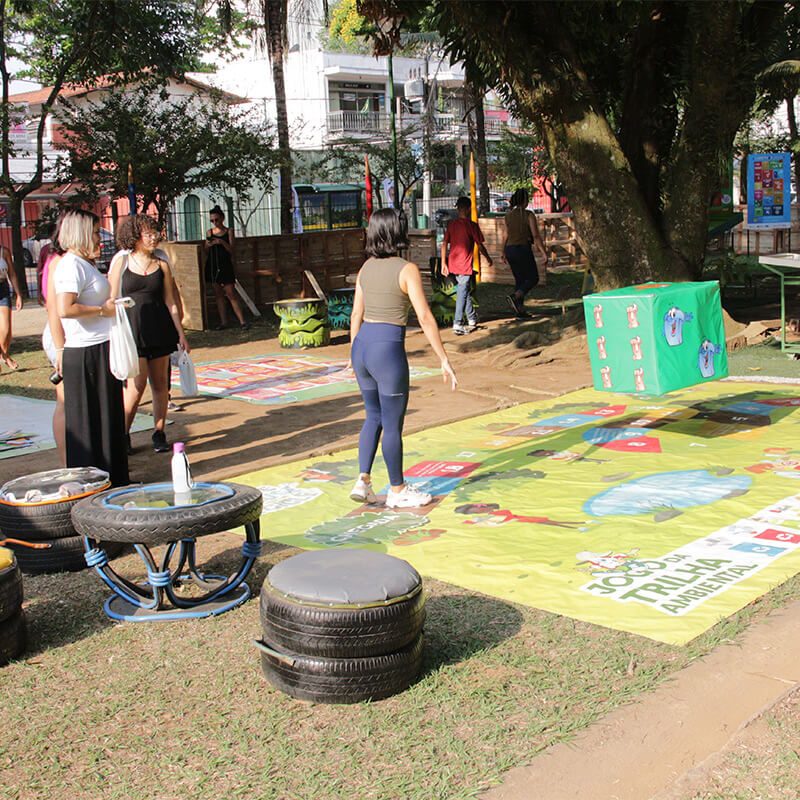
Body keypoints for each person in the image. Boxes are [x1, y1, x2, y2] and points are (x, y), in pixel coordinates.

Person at [349, 208, 457, 509]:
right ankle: (397, 490)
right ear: (398, 232)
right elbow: (424, 316)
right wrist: (443, 357)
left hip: (362, 347)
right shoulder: (406, 269)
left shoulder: (365, 268)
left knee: (373, 416)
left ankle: (364, 480)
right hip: (386, 350)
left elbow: (356, 313)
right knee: (393, 424)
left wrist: (351, 353)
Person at [54, 209, 128, 485]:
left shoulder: (83, 264)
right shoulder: (70, 265)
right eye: (96, 232)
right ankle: (90, 485)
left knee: (108, 419)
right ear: (81, 234)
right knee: (88, 424)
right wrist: (102, 310)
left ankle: (113, 479)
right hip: (85, 352)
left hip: (100, 348)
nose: (100, 239)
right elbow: (65, 308)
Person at [109, 215, 190, 454]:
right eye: (148, 233)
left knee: (160, 386)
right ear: (135, 237)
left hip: (160, 331)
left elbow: (170, 302)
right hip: (132, 333)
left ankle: (159, 432)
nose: (154, 236)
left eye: (155, 232)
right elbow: (111, 300)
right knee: (135, 388)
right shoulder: (121, 263)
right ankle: (123, 434)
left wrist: (181, 333)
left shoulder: (162, 264)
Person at [440, 196, 493, 335]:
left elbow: (444, 244)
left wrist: (443, 264)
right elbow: (480, 245)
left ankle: (471, 318)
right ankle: (457, 323)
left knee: (464, 290)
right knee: (462, 292)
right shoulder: (472, 225)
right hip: (464, 265)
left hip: (453, 263)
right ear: (469, 209)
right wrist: (488, 258)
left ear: (458, 208)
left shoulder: (452, 225)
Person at [501, 188, 549, 317]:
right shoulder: (528, 215)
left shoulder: (508, 215)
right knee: (533, 278)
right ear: (524, 200)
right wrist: (544, 253)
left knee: (520, 280)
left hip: (510, 249)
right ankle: (515, 296)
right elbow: (536, 236)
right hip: (522, 248)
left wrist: (502, 251)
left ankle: (520, 311)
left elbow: (505, 235)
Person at [41, 222, 67, 463]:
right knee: (65, 400)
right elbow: (54, 309)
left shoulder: (63, 260)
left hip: (66, 335)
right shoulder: (59, 262)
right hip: (61, 335)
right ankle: (66, 461)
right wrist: (60, 348)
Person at [204, 205, 247, 330]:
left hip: (225, 264)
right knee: (218, 295)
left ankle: (242, 321)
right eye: (212, 221)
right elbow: (206, 250)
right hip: (213, 264)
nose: (215, 223)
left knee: (230, 293)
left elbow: (232, 250)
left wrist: (222, 242)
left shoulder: (229, 231)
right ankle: (224, 322)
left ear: (222, 218)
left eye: (216, 220)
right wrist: (208, 244)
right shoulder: (209, 232)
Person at [0, 243, 23, 372]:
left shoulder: (4, 251)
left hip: (2, 288)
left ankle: (4, 354)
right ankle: (5, 357)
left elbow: (12, 274)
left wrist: (18, 294)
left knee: (6, 330)